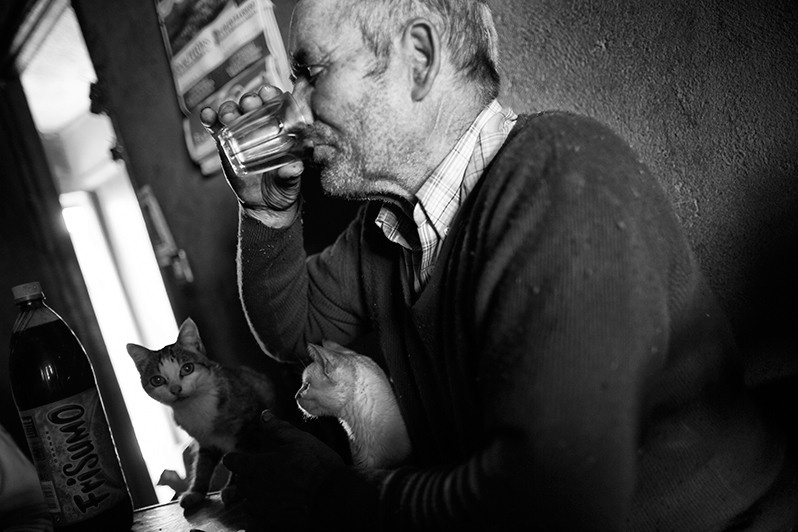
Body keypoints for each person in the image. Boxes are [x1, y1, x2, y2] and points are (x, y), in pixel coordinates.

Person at [201, 0, 797, 529]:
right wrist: (270, 215)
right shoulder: (385, 229)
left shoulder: (564, 178)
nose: (295, 112)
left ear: (418, 57)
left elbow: (548, 506)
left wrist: (330, 497)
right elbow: (295, 333)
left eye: (312, 72)